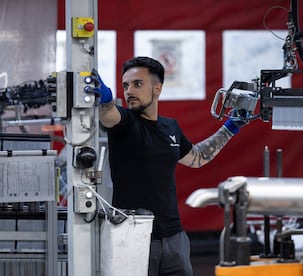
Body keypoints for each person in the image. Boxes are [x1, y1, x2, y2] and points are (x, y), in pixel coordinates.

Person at [87, 56, 249, 276]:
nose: (129, 91)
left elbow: (198, 157)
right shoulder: (125, 122)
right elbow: (108, 115)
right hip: (133, 236)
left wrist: (231, 126)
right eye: (125, 85)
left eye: (137, 84)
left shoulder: (170, 126)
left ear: (157, 89)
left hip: (174, 237)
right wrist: (105, 101)